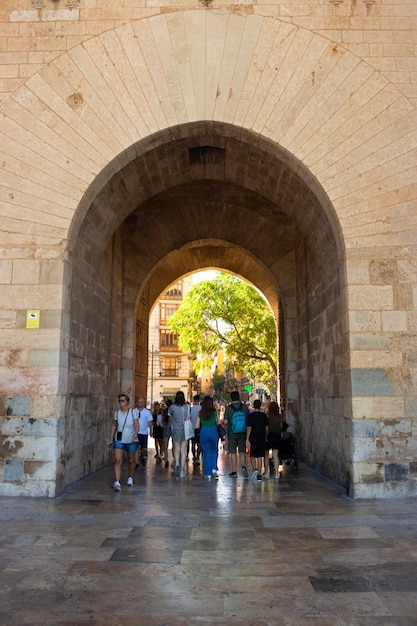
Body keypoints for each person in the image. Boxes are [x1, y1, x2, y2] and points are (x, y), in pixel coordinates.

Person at [109, 393, 139, 490]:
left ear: (127, 402)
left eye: (123, 400)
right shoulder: (117, 413)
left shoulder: (133, 412)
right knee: (117, 460)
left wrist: (135, 435)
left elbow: (136, 425)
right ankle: (117, 481)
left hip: (131, 439)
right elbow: (114, 425)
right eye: (120, 401)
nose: (121, 402)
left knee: (131, 460)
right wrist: (111, 438)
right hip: (119, 439)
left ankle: (130, 477)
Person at [223, 391, 249, 478]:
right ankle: (243, 466)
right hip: (242, 433)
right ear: (239, 397)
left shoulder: (229, 408)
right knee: (242, 452)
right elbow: (248, 419)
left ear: (231, 398)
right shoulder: (244, 407)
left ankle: (234, 471)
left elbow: (226, 421)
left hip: (232, 433)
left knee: (233, 452)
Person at [195, 396, 219, 480]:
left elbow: (197, 426)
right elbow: (218, 422)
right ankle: (214, 469)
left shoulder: (200, 413)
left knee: (206, 452)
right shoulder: (214, 412)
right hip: (213, 431)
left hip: (204, 432)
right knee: (214, 451)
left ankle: (207, 473)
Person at [168, 391, 190, 478]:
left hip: (176, 429)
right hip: (185, 429)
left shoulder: (172, 407)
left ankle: (177, 463)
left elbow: (170, 419)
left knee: (176, 448)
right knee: (183, 449)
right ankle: (182, 471)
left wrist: (168, 429)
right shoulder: (187, 407)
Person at [246, 399, 269, 482]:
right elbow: (266, 428)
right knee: (260, 456)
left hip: (253, 437)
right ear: (260, 406)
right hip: (262, 437)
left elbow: (249, 428)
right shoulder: (264, 416)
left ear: (253, 405)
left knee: (252, 455)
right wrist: (266, 436)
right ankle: (259, 474)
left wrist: (247, 439)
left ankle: (254, 468)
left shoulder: (250, 416)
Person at [134, 396, 153, 468]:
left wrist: (151, 431)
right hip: (136, 432)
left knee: (144, 449)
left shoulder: (147, 412)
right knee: (135, 448)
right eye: (139, 402)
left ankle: (142, 457)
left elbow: (150, 422)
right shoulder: (134, 411)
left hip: (144, 433)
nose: (140, 403)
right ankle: (136, 463)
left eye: (141, 402)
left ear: (143, 403)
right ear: (137, 403)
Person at [264, 401, 281, 479]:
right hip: (277, 435)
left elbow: (266, 427)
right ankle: (277, 473)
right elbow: (281, 426)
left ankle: (266, 472)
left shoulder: (267, 416)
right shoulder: (279, 416)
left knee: (266, 454)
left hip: (269, 435)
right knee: (275, 455)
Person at [189, 395, 201, 465]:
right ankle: (198, 456)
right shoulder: (201, 408)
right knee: (199, 444)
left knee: (193, 443)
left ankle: (194, 456)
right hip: (199, 428)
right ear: (199, 400)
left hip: (192, 428)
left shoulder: (191, 409)